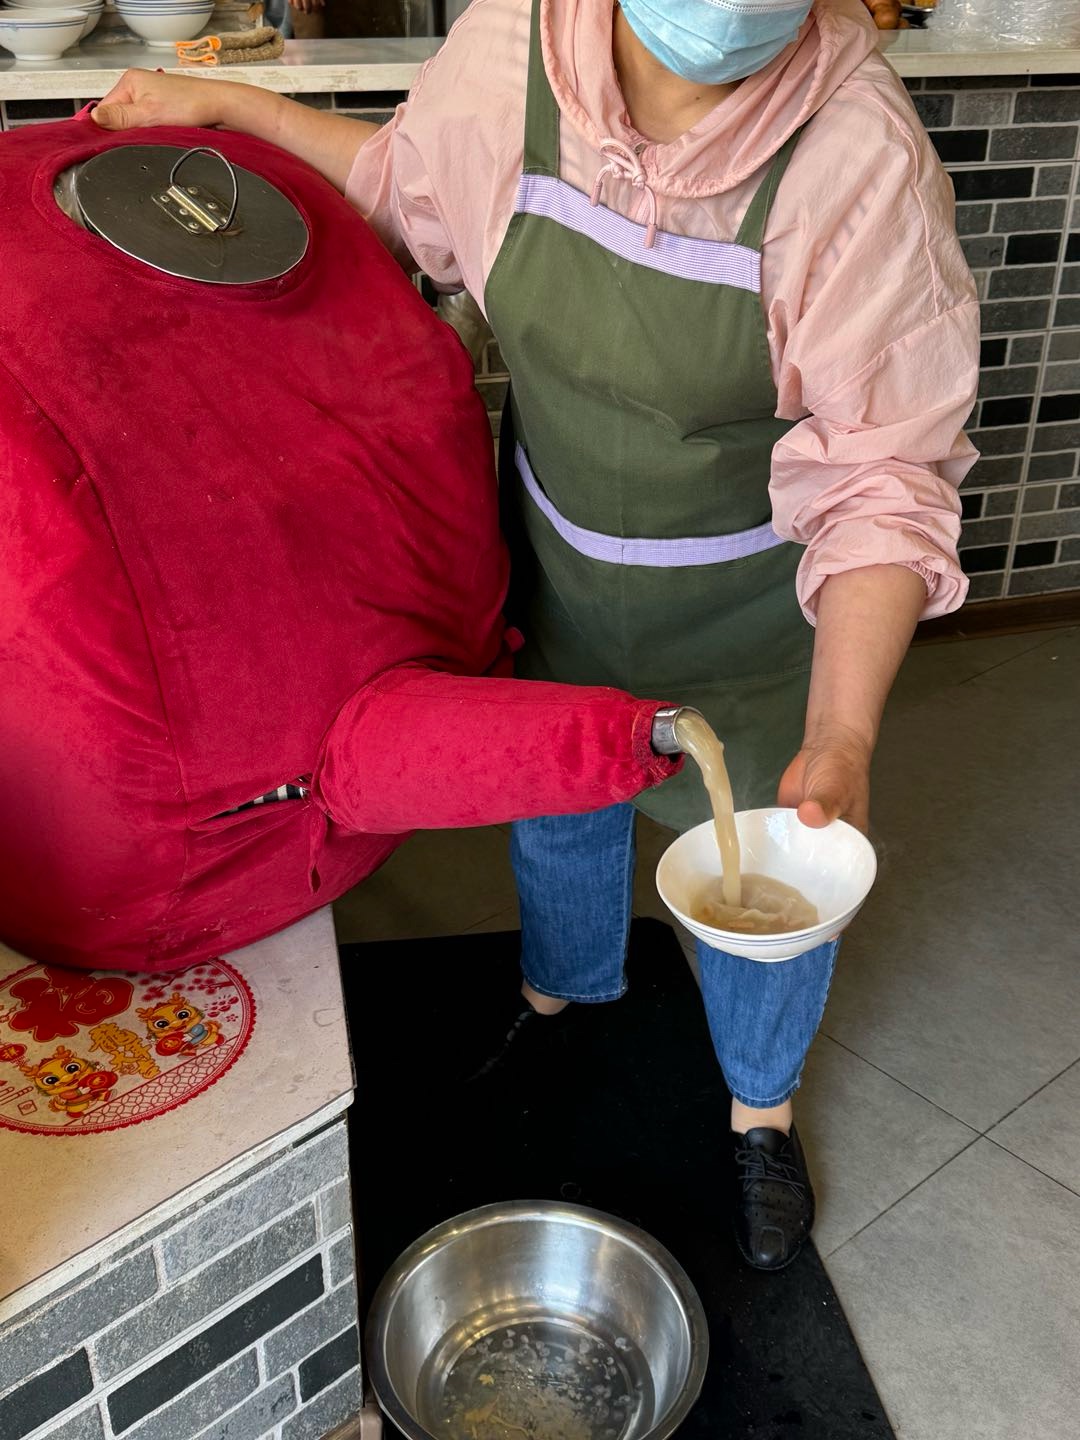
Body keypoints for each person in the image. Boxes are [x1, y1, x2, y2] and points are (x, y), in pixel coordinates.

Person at [92, 0, 979, 1270]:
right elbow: (405, 186)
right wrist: (231, 104)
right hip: (557, 568)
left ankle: (761, 1109)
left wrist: (842, 732)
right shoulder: (514, 53)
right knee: (560, 804)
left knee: (778, 867)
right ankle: (558, 993)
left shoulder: (855, 157)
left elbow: (885, 479)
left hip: (757, 619)